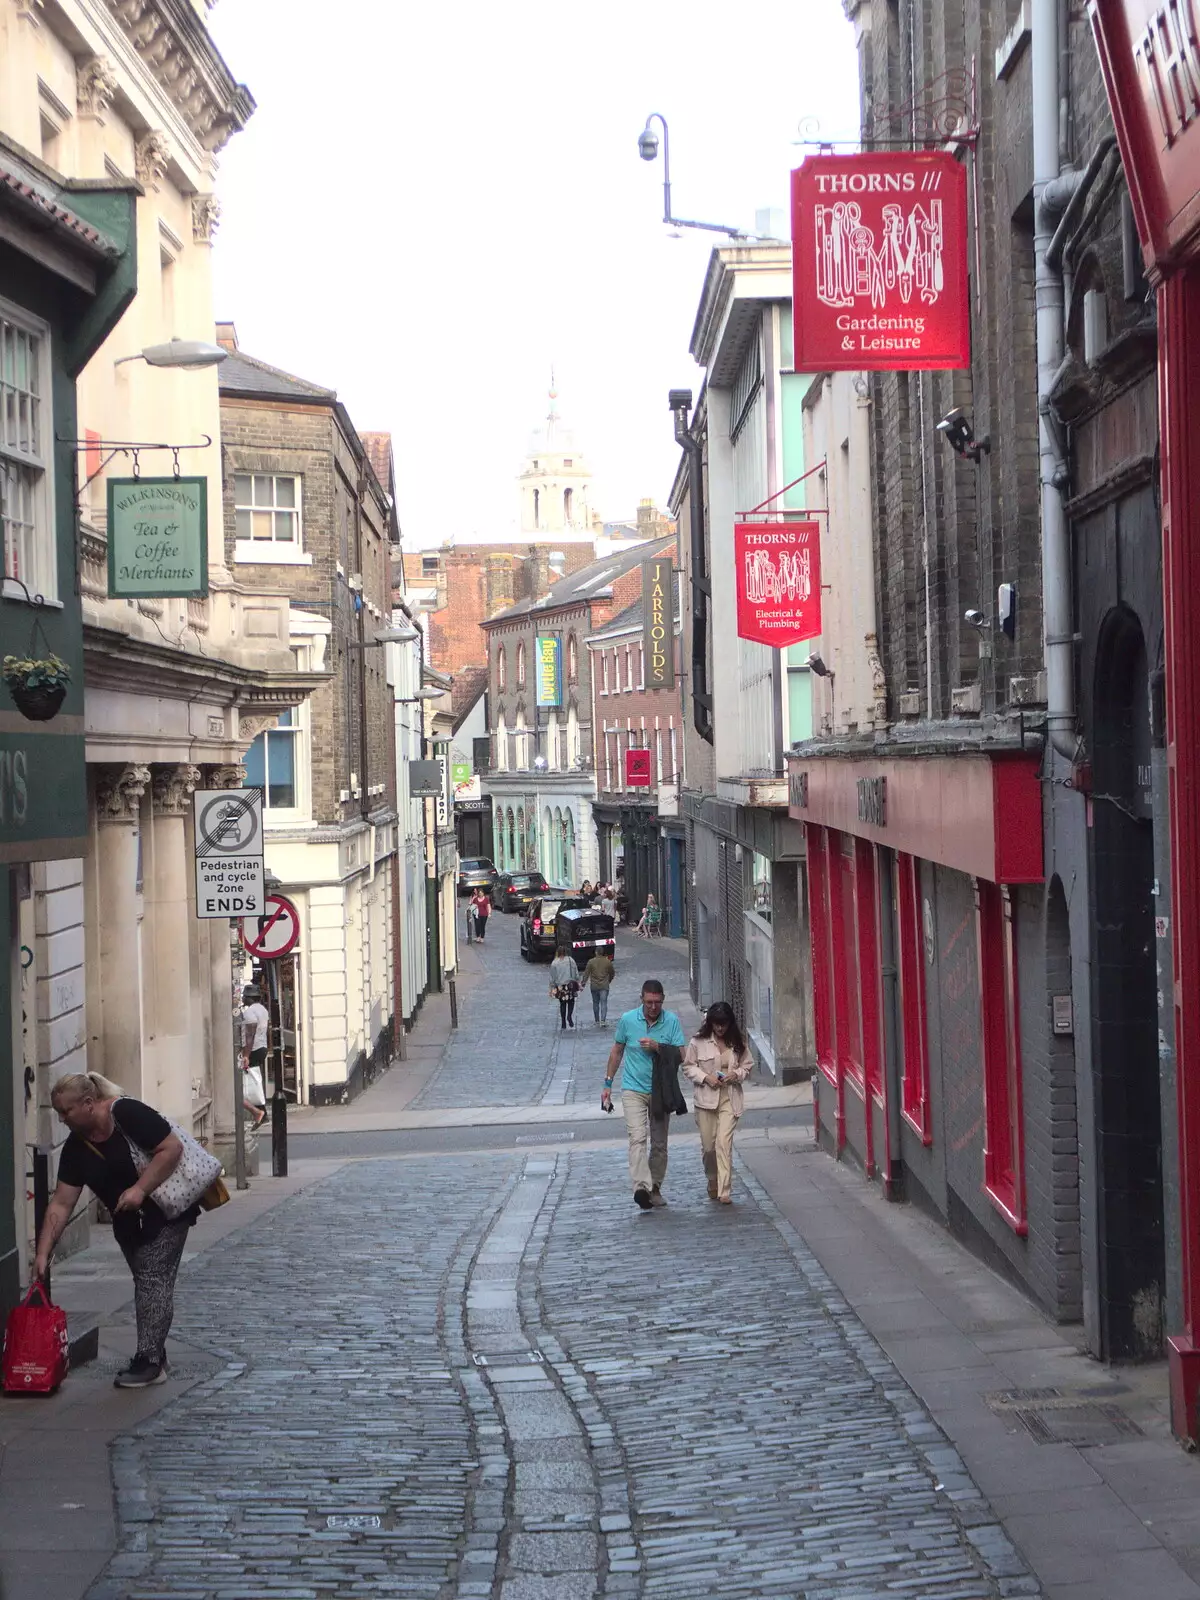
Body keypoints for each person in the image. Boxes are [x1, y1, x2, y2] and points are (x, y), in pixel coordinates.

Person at [33, 1072, 196, 1388]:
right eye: (58, 1112)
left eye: (66, 1111)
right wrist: (42, 1252)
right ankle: (155, 1354)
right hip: (128, 1224)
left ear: (89, 1103)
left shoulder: (126, 1113)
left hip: (165, 1210)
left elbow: (171, 1148)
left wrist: (139, 1189)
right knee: (147, 1281)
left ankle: (149, 1361)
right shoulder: (76, 1149)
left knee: (152, 1278)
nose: (62, 1119)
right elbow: (62, 1203)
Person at [601, 978, 686, 1209]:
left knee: (659, 1144)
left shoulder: (672, 1022)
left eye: (657, 1002)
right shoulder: (628, 1020)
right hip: (633, 1089)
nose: (653, 1007)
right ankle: (641, 1187)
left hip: (660, 1090)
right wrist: (607, 1084)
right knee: (637, 1138)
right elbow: (617, 1051)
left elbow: (682, 1055)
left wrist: (658, 1047)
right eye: (649, 1002)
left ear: (663, 1000)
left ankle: (654, 1188)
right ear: (641, 999)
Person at [682, 1002, 754, 1205]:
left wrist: (736, 1074)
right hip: (706, 1099)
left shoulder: (737, 1042)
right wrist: (706, 1078)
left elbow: (748, 1066)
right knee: (708, 1147)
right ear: (711, 1023)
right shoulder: (698, 1041)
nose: (720, 1028)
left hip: (729, 1097)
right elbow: (688, 1067)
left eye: (723, 1024)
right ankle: (712, 1179)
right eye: (716, 1024)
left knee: (724, 1142)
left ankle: (725, 1190)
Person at [238, 985, 269, 1129]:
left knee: (250, 1083)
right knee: (256, 1081)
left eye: (245, 996)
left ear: (250, 997)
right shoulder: (263, 1010)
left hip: (254, 1049)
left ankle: (260, 1113)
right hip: (262, 1047)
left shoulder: (250, 1012)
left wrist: (246, 1055)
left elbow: (250, 1034)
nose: (243, 998)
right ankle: (263, 1114)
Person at [581, 948, 615, 1026]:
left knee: (595, 1003)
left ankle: (597, 1020)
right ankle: (603, 1020)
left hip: (594, 986)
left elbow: (586, 974)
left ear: (596, 952)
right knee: (604, 1003)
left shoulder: (591, 962)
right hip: (604, 986)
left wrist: (583, 983)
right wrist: (609, 980)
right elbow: (612, 973)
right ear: (602, 953)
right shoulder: (607, 962)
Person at [549, 945, 579, 1028]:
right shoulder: (570, 960)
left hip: (560, 986)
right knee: (571, 1002)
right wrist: (577, 980)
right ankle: (569, 1016)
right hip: (570, 985)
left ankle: (563, 1022)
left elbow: (552, 976)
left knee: (562, 1004)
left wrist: (552, 987)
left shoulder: (554, 963)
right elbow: (575, 972)